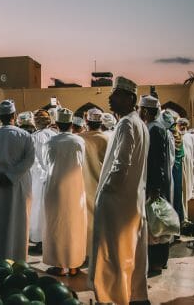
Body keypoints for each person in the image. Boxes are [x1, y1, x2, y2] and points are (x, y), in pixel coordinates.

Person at [88, 76, 150, 305]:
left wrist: (106, 191)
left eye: (116, 95)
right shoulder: (138, 123)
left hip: (117, 202)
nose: (110, 98)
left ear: (130, 99)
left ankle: (113, 297)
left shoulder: (126, 123)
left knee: (113, 254)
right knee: (128, 253)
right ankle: (132, 295)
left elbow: (121, 164)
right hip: (130, 200)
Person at [0, 100, 36, 261]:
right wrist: (12, 176)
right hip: (18, 187)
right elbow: (29, 159)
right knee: (18, 224)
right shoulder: (24, 136)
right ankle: (17, 261)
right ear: (13, 116)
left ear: (0, 116)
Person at [42, 108, 86, 277]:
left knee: (57, 226)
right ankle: (74, 266)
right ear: (70, 124)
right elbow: (82, 161)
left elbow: (47, 163)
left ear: (57, 124)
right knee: (74, 226)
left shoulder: (50, 142)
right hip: (75, 189)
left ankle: (60, 266)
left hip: (55, 188)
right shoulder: (78, 141)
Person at [139, 95, 171, 274]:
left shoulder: (155, 129)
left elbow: (156, 161)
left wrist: (155, 188)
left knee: (156, 225)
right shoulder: (153, 127)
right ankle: (157, 261)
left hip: (154, 184)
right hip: (154, 182)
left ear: (144, 110)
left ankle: (157, 262)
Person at [78, 108, 108, 267]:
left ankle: (84, 252)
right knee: (100, 221)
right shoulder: (107, 139)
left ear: (86, 122)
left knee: (84, 221)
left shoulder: (79, 139)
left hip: (82, 185)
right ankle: (98, 253)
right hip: (101, 186)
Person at [28, 109, 56, 254]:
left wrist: (42, 175)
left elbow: (33, 160)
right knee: (50, 209)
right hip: (53, 176)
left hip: (39, 178)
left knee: (38, 209)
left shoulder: (33, 137)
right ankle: (50, 238)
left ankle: (40, 240)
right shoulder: (55, 135)